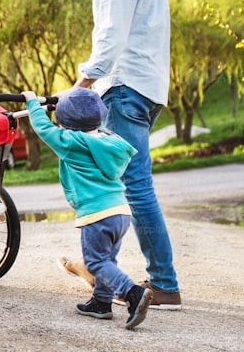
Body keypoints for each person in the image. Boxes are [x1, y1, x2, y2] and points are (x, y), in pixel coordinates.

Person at [52, 0, 182, 310]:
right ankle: (150, 278)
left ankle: (163, 284)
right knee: (134, 184)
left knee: (133, 187)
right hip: (147, 86)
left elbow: (110, 37)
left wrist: (81, 86)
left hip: (125, 86)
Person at [23, 88, 153, 329]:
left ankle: (132, 293)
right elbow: (84, 113)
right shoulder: (108, 139)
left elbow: (43, 128)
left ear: (65, 123)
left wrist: (33, 103)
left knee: (94, 263)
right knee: (107, 260)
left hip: (97, 215)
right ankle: (101, 303)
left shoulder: (72, 143)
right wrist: (69, 102)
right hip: (120, 212)